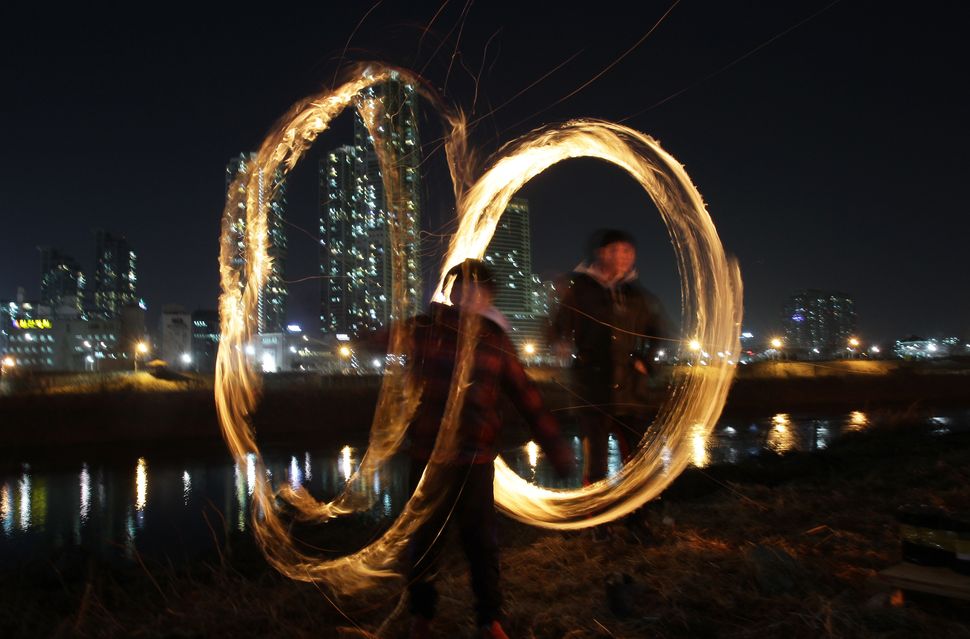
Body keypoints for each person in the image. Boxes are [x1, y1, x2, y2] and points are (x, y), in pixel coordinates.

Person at [405, 259, 575, 639]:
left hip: (475, 458)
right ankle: (421, 616)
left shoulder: (495, 342)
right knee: (425, 540)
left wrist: (556, 446)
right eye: (462, 287)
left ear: (488, 296)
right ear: (452, 293)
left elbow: (525, 395)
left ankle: (489, 619)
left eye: (478, 289)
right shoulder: (426, 329)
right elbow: (388, 341)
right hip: (429, 457)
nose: (470, 295)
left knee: (481, 542)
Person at [550, 229, 672, 486]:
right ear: (601, 253)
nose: (623, 256)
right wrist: (560, 341)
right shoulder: (579, 291)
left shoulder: (637, 295)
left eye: (628, 251)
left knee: (639, 459)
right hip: (592, 390)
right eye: (616, 250)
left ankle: (636, 515)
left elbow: (662, 334)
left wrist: (647, 363)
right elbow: (557, 327)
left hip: (631, 390)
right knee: (596, 463)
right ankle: (599, 519)